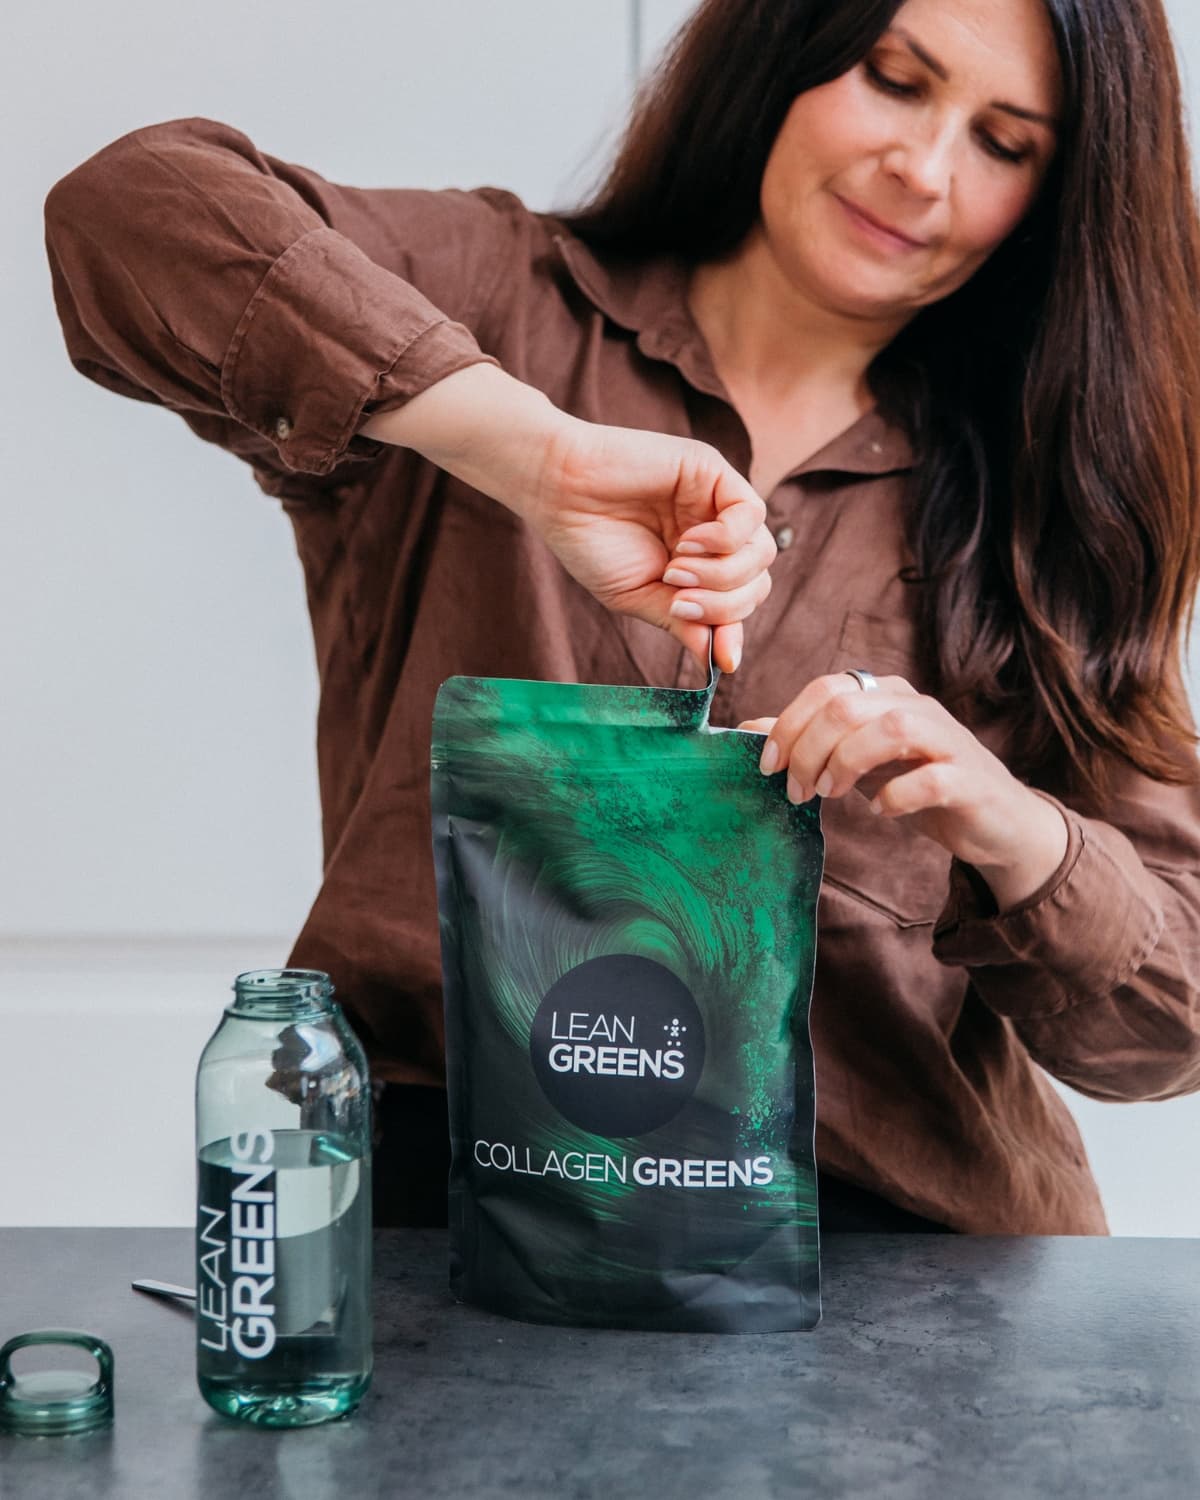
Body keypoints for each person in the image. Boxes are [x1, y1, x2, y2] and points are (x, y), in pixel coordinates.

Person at [43, 0, 1200, 1235]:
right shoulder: (506, 301)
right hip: (461, 1223)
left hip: (888, 1264)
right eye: (894, 79)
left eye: (1005, 143)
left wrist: (1010, 826)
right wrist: (525, 450)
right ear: (789, 49)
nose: (921, 170)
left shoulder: (1048, 499)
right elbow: (125, 212)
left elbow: (1164, 1029)